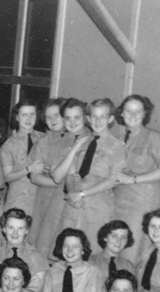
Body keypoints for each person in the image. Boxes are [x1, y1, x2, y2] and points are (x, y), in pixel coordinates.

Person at [53, 98, 126, 247]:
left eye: (103, 117)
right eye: (94, 116)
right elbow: (71, 172)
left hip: (98, 206)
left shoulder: (116, 146)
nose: (97, 121)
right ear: (88, 118)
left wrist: (82, 194)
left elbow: (114, 179)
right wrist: (74, 193)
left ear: (111, 119)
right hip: (74, 205)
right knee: (68, 250)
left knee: (92, 251)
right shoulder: (81, 142)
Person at [113, 95, 160, 264]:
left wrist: (132, 180)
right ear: (122, 114)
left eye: (137, 111)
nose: (132, 115)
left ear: (144, 114)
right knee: (116, 248)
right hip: (118, 201)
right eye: (128, 111)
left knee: (132, 251)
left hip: (141, 202)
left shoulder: (153, 137)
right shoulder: (118, 139)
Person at [29, 97, 70, 253]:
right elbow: (34, 177)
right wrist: (59, 183)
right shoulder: (42, 143)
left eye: (56, 115)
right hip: (46, 200)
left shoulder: (76, 139)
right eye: (48, 117)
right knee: (44, 245)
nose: (52, 120)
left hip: (67, 200)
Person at [0, 208, 49, 292]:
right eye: (11, 227)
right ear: (4, 229)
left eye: (20, 228)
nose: (15, 233)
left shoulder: (37, 257)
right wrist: (23, 291)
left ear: (26, 230)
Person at [0, 99, 44, 221]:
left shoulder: (44, 138)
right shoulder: (9, 144)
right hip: (19, 198)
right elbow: (8, 176)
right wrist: (29, 169)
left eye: (32, 114)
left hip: (40, 198)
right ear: (17, 117)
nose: (28, 119)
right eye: (24, 115)